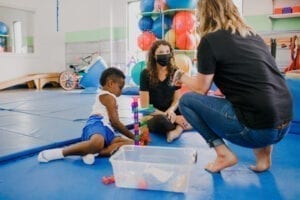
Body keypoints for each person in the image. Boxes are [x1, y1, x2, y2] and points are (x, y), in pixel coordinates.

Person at [173, 0, 293, 173]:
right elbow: (259, 79)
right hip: (285, 122)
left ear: (205, 14)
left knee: (186, 101)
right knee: (257, 104)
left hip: (258, 130)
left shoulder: (209, 40)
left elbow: (201, 88)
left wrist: (181, 76)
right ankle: (264, 158)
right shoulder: (253, 35)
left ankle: (222, 154)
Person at [38, 67, 135, 164]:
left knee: (132, 144)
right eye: (120, 87)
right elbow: (116, 122)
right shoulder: (109, 97)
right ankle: (61, 152)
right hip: (97, 124)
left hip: (107, 129)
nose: (121, 91)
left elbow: (113, 124)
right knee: (98, 143)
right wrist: (134, 136)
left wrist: (134, 140)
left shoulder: (110, 97)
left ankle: (92, 152)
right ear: (110, 83)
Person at [139, 40, 192, 143]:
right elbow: (145, 106)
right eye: (161, 53)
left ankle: (176, 131)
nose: (165, 55)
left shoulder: (175, 72)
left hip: (171, 111)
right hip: (155, 114)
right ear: (154, 55)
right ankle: (179, 125)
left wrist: (171, 110)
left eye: (167, 52)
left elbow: (177, 99)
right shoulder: (145, 74)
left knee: (191, 111)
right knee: (162, 121)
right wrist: (171, 117)